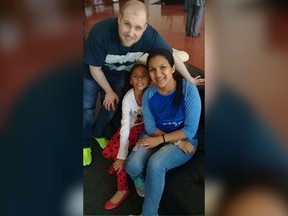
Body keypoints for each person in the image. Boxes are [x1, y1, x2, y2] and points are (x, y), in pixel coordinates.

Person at [83, 0, 204, 166]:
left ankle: (97, 134)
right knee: (87, 108)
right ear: (119, 19)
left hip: (117, 73)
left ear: (145, 27)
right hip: (91, 72)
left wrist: (189, 78)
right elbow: (95, 69)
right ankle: (84, 144)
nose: (131, 33)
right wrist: (108, 91)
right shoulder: (100, 34)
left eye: (138, 28)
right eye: (127, 24)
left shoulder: (149, 36)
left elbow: (170, 55)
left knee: (110, 107)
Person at [125, 48, 202, 216]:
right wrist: (170, 140)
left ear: (173, 68)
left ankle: (149, 214)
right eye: (152, 69)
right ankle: (143, 183)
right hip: (158, 135)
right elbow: (151, 128)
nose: (158, 74)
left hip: (185, 140)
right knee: (131, 165)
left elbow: (190, 129)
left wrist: (167, 140)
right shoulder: (149, 94)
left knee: (156, 164)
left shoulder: (188, 90)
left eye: (163, 67)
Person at [102, 63, 149, 210]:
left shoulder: (151, 93)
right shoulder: (128, 99)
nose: (139, 79)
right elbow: (125, 125)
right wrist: (122, 155)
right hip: (131, 128)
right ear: (130, 80)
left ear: (149, 79)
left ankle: (123, 188)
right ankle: (118, 159)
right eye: (135, 76)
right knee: (113, 150)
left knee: (119, 157)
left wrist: (121, 157)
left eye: (143, 76)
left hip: (146, 130)